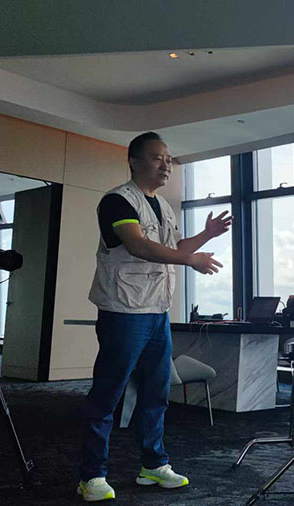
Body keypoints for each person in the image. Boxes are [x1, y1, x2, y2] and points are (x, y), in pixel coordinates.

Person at [77, 132, 232, 502]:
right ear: (133, 162)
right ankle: (92, 475)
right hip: (124, 311)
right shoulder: (117, 200)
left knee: (156, 392)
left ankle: (153, 464)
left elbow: (174, 247)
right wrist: (189, 260)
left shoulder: (163, 204)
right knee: (108, 394)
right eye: (157, 157)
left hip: (157, 312)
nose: (166, 165)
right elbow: (139, 245)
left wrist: (206, 235)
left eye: (169, 158)